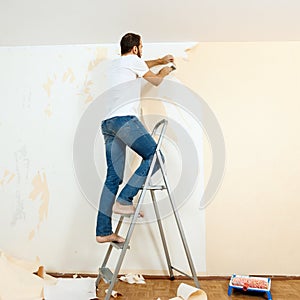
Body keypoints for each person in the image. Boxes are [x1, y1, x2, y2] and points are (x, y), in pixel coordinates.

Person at [96, 33, 174, 243]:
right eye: (142, 47)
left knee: (113, 177)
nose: (142, 50)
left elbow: (140, 65)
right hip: (124, 120)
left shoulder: (117, 64)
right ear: (136, 49)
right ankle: (124, 199)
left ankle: (103, 232)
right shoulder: (133, 61)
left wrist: (158, 60)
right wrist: (164, 71)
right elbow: (155, 81)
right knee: (156, 157)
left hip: (108, 124)